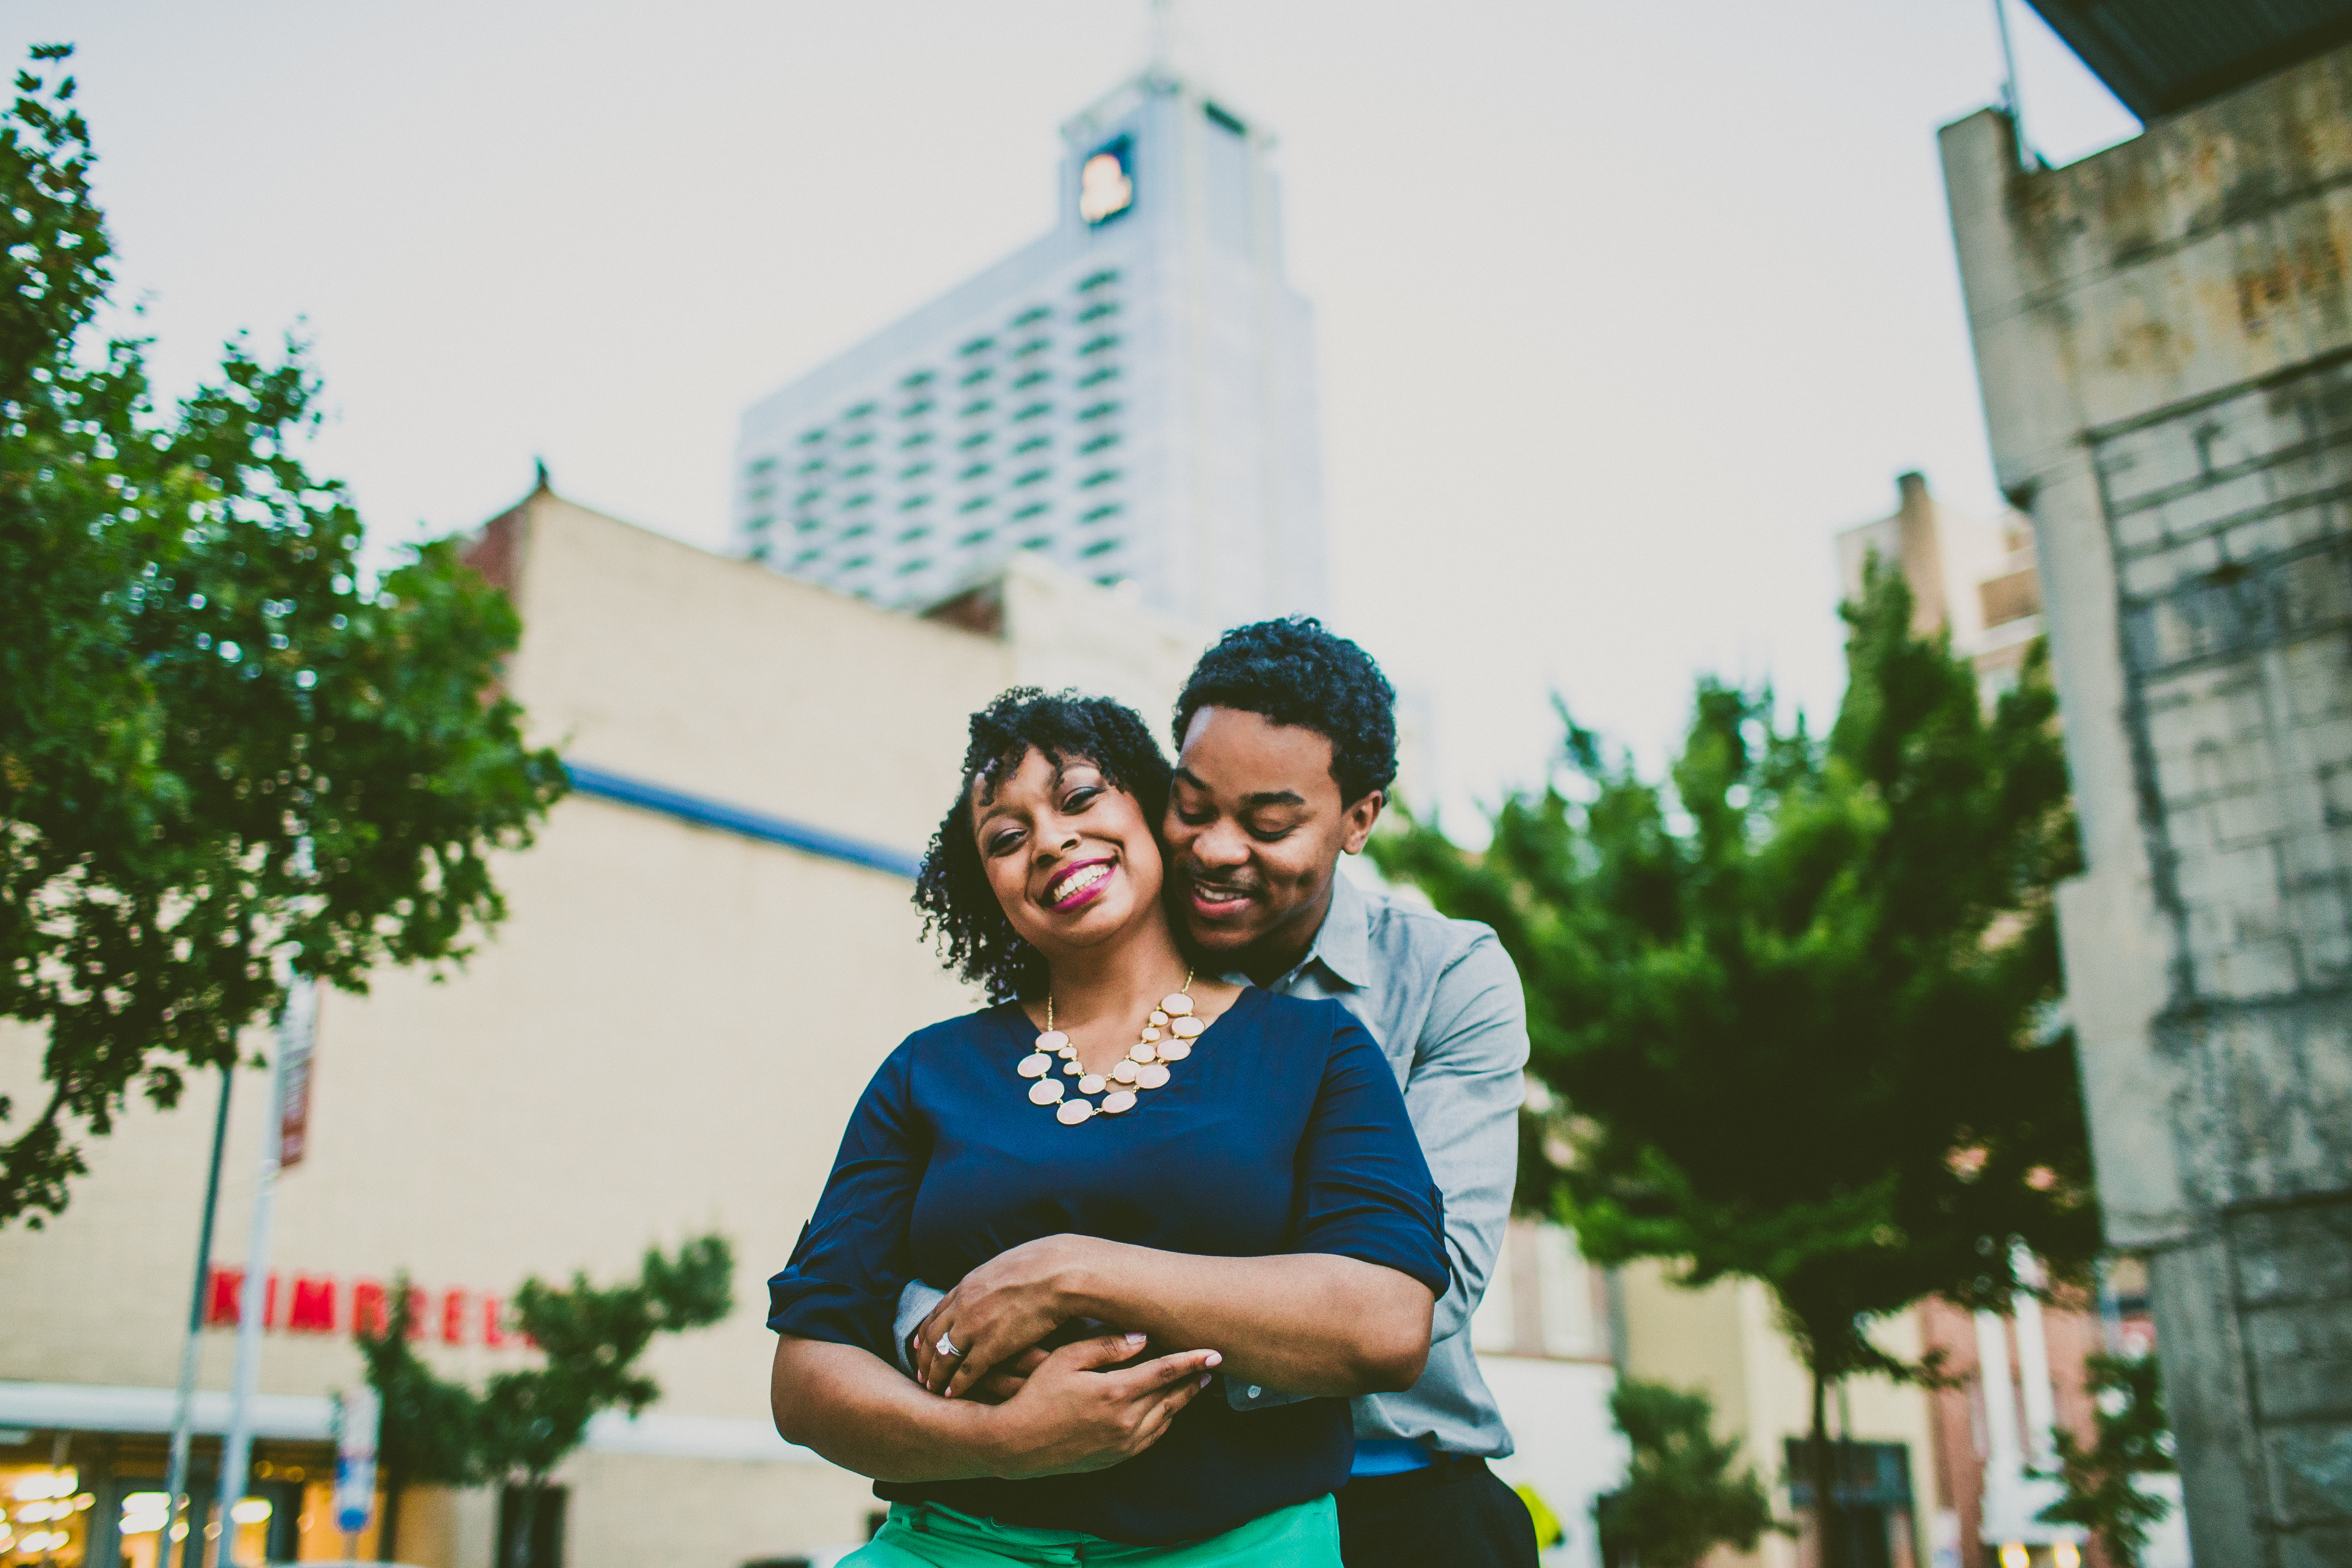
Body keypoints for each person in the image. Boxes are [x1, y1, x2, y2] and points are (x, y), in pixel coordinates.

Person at [900, 619, 1537, 1568]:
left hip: (1398, 1490)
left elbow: (1422, 1287)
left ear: (1359, 818)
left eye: (1269, 824)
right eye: (1191, 806)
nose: (1217, 849)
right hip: (1154, 1510)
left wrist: (1081, 1294)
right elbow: (985, 1215)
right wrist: (953, 1325)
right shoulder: (1105, 945)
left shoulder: (1447, 978)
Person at [766, 689, 1452, 1567]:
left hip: (1237, 1547)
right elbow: (807, 1374)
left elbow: (1386, 1325)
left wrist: (1069, 1273)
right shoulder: (927, 1070)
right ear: (989, 888)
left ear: (1153, 811)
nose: (1050, 841)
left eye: (1080, 797)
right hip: (950, 1548)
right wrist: (1000, 1442)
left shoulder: (1315, 1050)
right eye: (1005, 838)